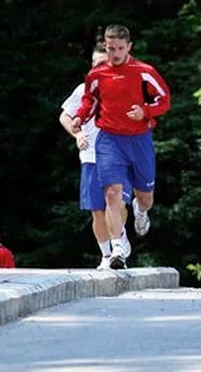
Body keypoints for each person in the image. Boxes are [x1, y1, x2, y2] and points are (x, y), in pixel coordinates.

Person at [71, 25, 171, 269]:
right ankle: (117, 248)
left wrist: (145, 111)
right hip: (109, 140)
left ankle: (141, 210)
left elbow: (164, 99)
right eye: (111, 48)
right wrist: (80, 117)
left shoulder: (144, 72)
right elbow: (90, 100)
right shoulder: (97, 75)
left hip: (139, 139)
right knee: (112, 194)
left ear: (129, 47)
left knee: (145, 197)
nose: (115, 53)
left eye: (119, 48)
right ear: (105, 45)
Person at [60, 43, 132, 270]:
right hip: (90, 155)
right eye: (94, 65)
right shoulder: (83, 90)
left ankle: (119, 239)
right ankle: (106, 255)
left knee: (118, 203)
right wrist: (77, 135)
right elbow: (65, 116)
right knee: (97, 210)